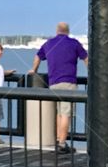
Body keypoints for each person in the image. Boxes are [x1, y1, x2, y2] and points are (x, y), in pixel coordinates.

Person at [30, 23, 88, 154]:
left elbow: (38, 56)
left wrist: (34, 70)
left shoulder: (49, 43)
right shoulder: (74, 43)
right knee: (66, 114)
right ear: (68, 31)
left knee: (59, 113)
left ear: (57, 31)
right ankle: (62, 144)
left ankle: (58, 140)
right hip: (69, 82)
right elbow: (86, 58)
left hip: (53, 83)